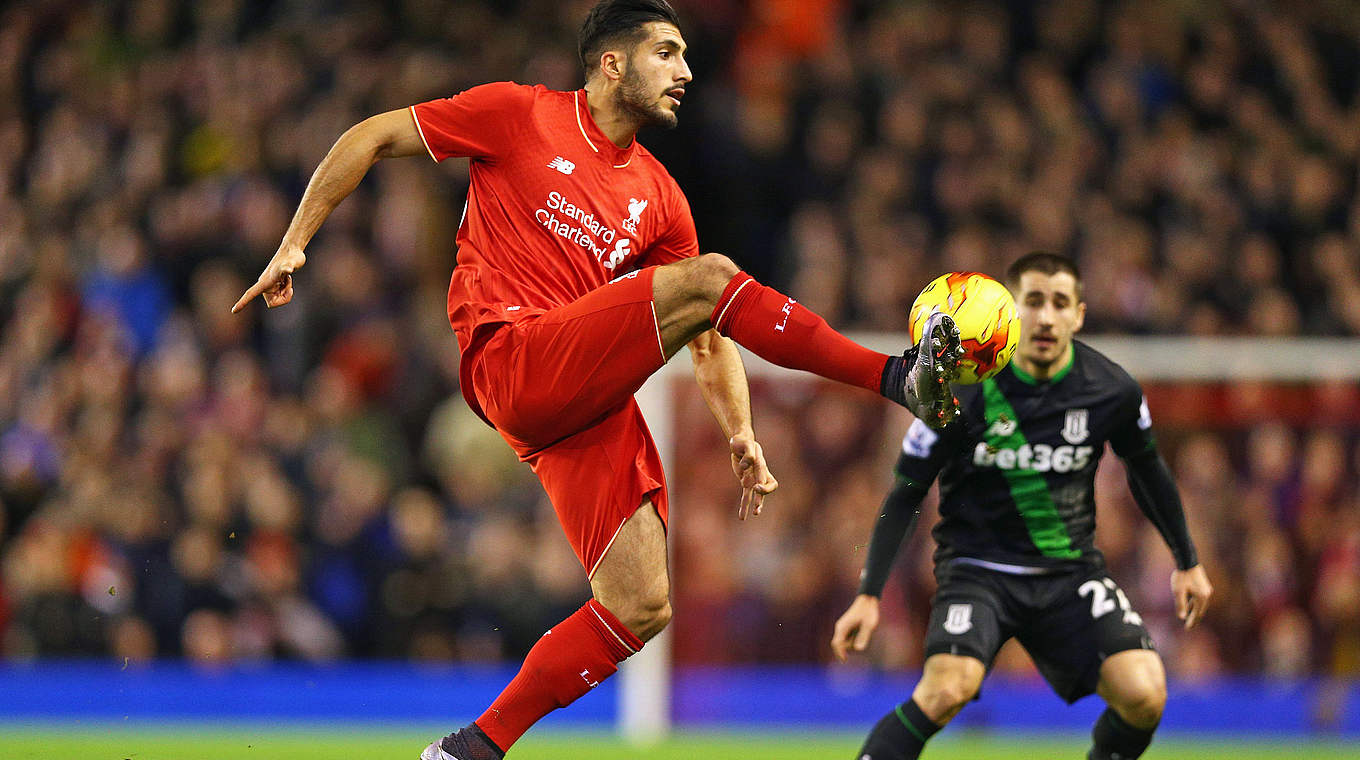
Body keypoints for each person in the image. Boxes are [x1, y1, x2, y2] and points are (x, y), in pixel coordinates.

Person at [232, 2, 961, 758]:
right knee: (709, 276)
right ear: (612, 64)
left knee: (640, 603)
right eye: (666, 54)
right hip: (509, 354)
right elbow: (372, 135)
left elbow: (709, 338)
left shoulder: (661, 198)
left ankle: (470, 749)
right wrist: (294, 244)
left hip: (572, 396)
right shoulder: (518, 114)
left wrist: (740, 431)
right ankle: (895, 375)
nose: (684, 72)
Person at [831, 252, 1214, 760]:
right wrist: (869, 593)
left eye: (1060, 303)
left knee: (1145, 693)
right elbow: (905, 491)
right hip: (977, 569)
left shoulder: (1112, 390)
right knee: (948, 688)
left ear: (1078, 315)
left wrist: (1187, 560)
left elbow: (1147, 470)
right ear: (1010, 311)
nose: (1046, 316)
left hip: (1068, 573)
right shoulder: (960, 391)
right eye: (1033, 301)